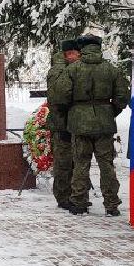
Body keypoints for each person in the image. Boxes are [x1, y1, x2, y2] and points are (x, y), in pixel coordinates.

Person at [64, 33, 129, 215]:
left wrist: (75, 110)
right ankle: (111, 204)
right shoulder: (111, 69)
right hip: (104, 122)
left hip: (79, 123)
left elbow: (62, 95)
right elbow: (122, 96)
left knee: (81, 164)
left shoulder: (73, 69)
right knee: (106, 164)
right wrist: (109, 111)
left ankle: (79, 202)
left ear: (81, 49)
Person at [45, 40, 81, 211]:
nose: (76, 57)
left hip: (73, 122)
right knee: (63, 163)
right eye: (73, 53)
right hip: (61, 123)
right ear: (67, 54)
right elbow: (56, 98)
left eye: (77, 53)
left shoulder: (73, 68)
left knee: (76, 162)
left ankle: (75, 195)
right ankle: (63, 196)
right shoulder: (58, 71)